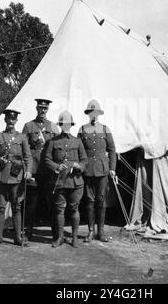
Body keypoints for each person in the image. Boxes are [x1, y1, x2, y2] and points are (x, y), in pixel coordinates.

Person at [0, 109, 32, 247]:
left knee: (16, 207)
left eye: (13, 119)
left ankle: (18, 237)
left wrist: (28, 171)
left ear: (16, 121)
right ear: (5, 120)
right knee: (1, 207)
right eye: (9, 118)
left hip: (15, 176)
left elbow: (27, 156)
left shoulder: (22, 137)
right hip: (1, 176)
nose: (11, 121)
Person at [44, 110, 87, 248]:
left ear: (71, 125)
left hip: (75, 181)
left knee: (74, 209)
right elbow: (47, 159)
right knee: (59, 210)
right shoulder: (52, 142)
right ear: (60, 125)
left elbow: (85, 160)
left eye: (68, 124)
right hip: (60, 181)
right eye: (63, 124)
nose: (65, 126)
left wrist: (78, 166)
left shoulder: (77, 141)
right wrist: (57, 166)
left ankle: (74, 237)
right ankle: (60, 237)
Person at [78, 99, 116, 243]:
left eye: (96, 112)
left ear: (99, 114)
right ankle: (90, 231)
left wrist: (112, 168)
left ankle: (101, 232)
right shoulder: (82, 129)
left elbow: (112, 150)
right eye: (91, 112)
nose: (93, 115)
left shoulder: (105, 129)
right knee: (89, 201)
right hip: (88, 171)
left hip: (102, 170)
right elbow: (79, 150)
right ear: (88, 114)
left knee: (101, 201)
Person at [22, 99, 59, 240]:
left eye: (45, 108)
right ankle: (28, 232)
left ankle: (55, 233)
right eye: (40, 108)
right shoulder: (28, 126)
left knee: (52, 202)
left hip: (49, 171)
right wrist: (27, 169)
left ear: (47, 110)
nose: (42, 110)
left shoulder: (53, 127)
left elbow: (57, 147)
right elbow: (24, 149)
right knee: (31, 203)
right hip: (34, 170)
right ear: (36, 108)